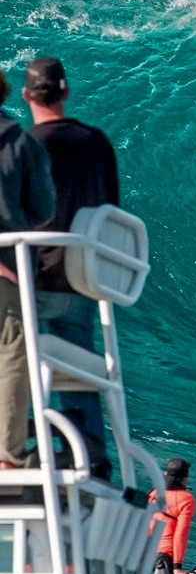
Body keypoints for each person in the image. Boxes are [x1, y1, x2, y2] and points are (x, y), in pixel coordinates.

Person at [24, 57, 119, 471]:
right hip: (83, 276)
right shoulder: (97, 142)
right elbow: (111, 210)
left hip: (37, 277)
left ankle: (18, 437)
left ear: (27, 95)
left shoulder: (27, 145)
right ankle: (92, 447)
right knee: (78, 363)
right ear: (66, 91)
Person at [0, 71, 56, 470]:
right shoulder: (19, 143)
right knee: (12, 353)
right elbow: (43, 209)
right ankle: (6, 456)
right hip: (6, 270)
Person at [149, 459, 196, 574]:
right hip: (164, 557)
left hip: (145, 554)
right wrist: (177, 567)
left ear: (166, 473)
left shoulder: (154, 493)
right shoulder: (186, 499)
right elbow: (181, 533)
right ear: (187, 476)